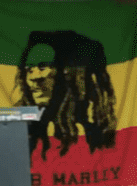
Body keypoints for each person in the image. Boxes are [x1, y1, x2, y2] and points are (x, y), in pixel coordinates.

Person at [13, 29, 117, 159]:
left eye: (43, 67)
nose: (34, 77)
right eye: (29, 69)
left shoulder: (91, 134)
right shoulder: (19, 128)